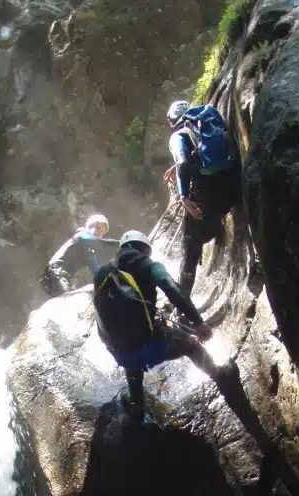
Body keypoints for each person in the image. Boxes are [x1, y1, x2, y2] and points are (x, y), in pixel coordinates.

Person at [93, 230, 237, 420]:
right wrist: (198, 322)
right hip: (148, 348)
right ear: (146, 250)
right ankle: (219, 375)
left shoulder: (102, 273)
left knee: (128, 339)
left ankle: (136, 402)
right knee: (191, 345)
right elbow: (170, 287)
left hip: (118, 352)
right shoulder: (150, 266)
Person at [165, 100, 241, 296]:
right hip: (230, 192)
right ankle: (216, 229)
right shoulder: (206, 126)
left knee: (190, 250)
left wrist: (184, 196)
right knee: (210, 225)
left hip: (204, 197)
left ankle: (182, 304)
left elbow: (183, 163)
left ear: (172, 121)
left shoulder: (178, 136)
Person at [41, 214, 120, 297]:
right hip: (54, 274)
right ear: (93, 227)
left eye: (103, 232)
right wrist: (119, 243)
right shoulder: (81, 235)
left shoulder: (90, 251)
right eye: (101, 230)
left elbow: (97, 272)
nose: (101, 234)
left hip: (62, 279)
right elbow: (94, 240)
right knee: (68, 298)